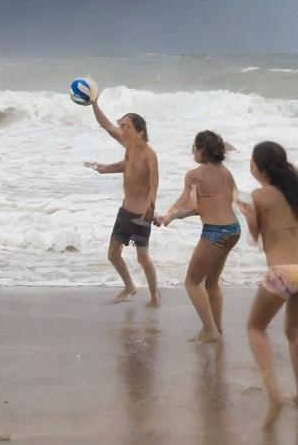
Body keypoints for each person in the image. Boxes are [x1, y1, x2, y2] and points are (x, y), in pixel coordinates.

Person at [241, 141, 298, 428]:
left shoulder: (259, 195)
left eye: (252, 161)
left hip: (284, 273)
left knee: (255, 328)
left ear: (260, 168)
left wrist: (250, 219)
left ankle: (274, 393)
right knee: (294, 332)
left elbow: (260, 242)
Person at [159, 130, 241, 342]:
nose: (192, 150)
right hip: (233, 230)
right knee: (212, 282)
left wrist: (168, 216)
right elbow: (207, 205)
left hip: (215, 232)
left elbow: (186, 202)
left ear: (202, 150)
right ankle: (216, 328)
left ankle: (209, 330)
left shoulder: (194, 175)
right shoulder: (226, 173)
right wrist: (173, 218)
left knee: (192, 282)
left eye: (194, 146)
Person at [85, 93, 160, 306]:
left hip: (142, 214)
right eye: (122, 125)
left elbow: (154, 182)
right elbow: (106, 125)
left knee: (143, 258)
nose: (122, 129)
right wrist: (94, 103)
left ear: (140, 130)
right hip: (125, 212)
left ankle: (155, 297)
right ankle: (130, 286)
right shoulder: (128, 146)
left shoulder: (149, 154)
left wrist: (151, 206)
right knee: (113, 254)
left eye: (126, 126)